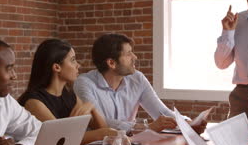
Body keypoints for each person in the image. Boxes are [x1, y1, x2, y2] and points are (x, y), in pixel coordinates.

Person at [74, 33, 207, 133]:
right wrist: (146, 128)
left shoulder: (137, 78)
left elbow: (161, 112)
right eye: (129, 54)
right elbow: (100, 123)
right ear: (111, 63)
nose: (135, 57)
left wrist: (187, 124)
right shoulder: (84, 83)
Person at [18, 39, 118, 144]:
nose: (78, 65)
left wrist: (92, 108)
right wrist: (101, 134)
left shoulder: (70, 96)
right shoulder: (34, 102)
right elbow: (61, 139)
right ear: (57, 67)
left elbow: (103, 129)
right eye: (73, 60)